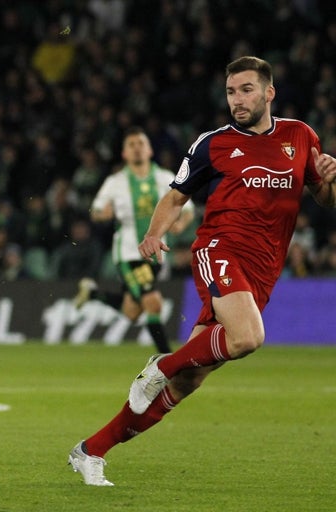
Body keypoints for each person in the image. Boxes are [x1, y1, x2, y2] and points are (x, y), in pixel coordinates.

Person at [68, 55, 336, 486]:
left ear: (269, 92)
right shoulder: (213, 143)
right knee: (248, 337)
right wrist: (154, 234)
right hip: (220, 249)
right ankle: (159, 366)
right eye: (231, 92)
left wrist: (327, 180)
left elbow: (324, 198)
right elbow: (176, 196)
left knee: (188, 381)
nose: (237, 99)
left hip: (263, 270)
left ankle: (91, 450)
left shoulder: (300, 136)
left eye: (246, 90)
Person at [73, 127, 194, 353]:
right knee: (152, 303)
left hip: (156, 255)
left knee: (132, 311)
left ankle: (92, 293)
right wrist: (103, 214)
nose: (137, 148)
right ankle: (166, 360)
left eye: (141, 144)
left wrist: (181, 223)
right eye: (131, 145)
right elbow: (95, 210)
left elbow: (188, 209)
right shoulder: (115, 182)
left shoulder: (165, 178)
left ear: (149, 150)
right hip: (129, 255)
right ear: (124, 154)